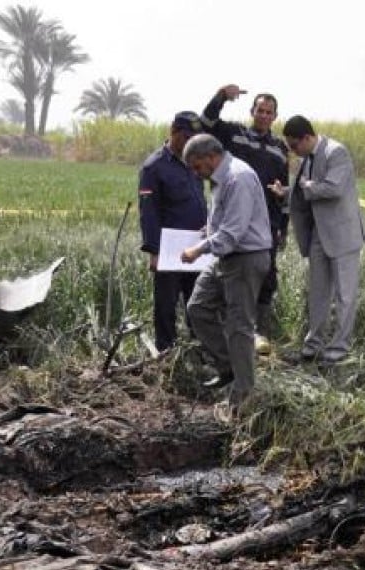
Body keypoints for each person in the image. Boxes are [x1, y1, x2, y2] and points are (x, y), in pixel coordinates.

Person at [180, 134, 272, 419]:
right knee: (198, 307)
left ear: (211, 157)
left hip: (246, 259)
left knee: (239, 327)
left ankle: (243, 398)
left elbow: (233, 233)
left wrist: (199, 248)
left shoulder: (238, 177)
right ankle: (228, 366)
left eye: (197, 167)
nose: (196, 173)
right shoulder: (220, 179)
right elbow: (223, 224)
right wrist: (207, 233)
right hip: (226, 257)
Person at [270, 115, 365, 364]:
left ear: (306, 138)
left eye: (294, 146)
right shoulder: (307, 158)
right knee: (318, 293)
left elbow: (333, 189)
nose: (293, 151)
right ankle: (312, 346)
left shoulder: (336, 152)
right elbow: (308, 189)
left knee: (345, 296)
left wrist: (306, 185)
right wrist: (286, 192)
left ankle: (338, 350)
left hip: (343, 236)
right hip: (318, 235)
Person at [200, 84, 288, 351]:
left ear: (275, 117)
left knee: (267, 276)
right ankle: (226, 329)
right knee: (228, 270)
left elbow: (284, 189)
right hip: (232, 218)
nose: (264, 116)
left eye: (269, 112)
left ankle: (258, 333)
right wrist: (221, 97)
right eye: (260, 110)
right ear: (252, 111)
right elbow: (206, 123)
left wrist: (283, 227)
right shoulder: (234, 135)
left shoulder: (280, 148)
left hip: (266, 223)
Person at [138, 111, 208, 351]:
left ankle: (199, 350)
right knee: (166, 305)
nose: (191, 143)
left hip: (196, 247)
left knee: (197, 302)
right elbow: (148, 212)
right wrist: (154, 252)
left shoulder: (194, 163)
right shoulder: (154, 166)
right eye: (187, 137)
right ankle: (166, 353)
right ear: (173, 132)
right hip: (169, 249)